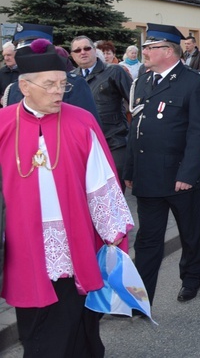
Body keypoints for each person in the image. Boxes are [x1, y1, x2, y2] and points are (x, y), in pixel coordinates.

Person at [0, 39, 133, 356]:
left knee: (77, 320)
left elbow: (102, 181)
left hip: (74, 239)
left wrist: (112, 236)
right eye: (49, 85)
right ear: (25, 86)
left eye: (62, 85)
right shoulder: (4, 123)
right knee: (33, 322)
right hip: (23, 243)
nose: (59, 92)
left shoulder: (81, 121)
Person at [124, 23, 200, 304]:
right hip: (148, 176)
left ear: (168, 51)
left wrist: (188, 173)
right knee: (147, 240)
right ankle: (140, 297)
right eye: (145, 47)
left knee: (191, 233)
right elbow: (135, 130)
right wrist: (130, 170)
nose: (145, 52)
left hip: (179, 177)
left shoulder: (194, 82)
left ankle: (191, 276)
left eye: (150, 48)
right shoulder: (143, 82)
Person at [70, 35, 132, 192]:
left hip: (114, 141)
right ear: (72, 55)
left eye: (86, 48)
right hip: (83, 145)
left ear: (94, 50)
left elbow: (135, 103)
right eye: (77, 50)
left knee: (115, 192)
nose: (82, 52)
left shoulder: (114, 72)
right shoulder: (70, 79)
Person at [4, 24, 99, 122]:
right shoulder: (13, 88)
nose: (27, 57)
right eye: (22, 52)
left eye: (32, 51)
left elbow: (89, 125)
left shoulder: (74, 84)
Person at [0, 41, 18, 106]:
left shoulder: (24, 72)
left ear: (17, 55)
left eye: (9, 55)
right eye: (4, 55)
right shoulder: (1, 72)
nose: (6, 58)